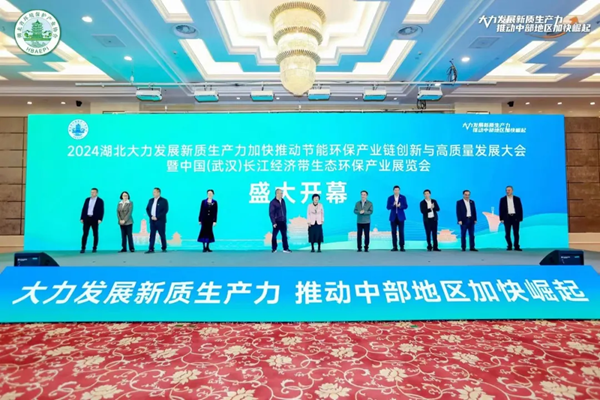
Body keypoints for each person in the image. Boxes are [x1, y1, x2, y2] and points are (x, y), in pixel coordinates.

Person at [80, 188, 104, 254]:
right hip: (87, 218)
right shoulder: (87, 199)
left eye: (93, 192)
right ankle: (83, 248)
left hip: (95, 219)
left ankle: (94, 248)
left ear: (97, 193)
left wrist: (100, 219)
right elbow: (84, 209)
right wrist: (82, 218)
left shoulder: (100, 201)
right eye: (91, 192)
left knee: (95, 234)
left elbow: (101, 210)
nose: (92, 193)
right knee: (85, 233)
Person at [499, 186, 523, 251]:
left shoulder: (517, 199)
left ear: (512, 191)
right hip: (507, 218)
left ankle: (516, 246)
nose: (507, 191)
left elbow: (520, 209)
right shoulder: (502, 199)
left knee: (516, 233)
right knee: (507, 233)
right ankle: (509, 245)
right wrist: (501, 218)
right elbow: (501, 209)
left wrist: (520, 218)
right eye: (506, 190)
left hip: (515, 217)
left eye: (509, 190)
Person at [145, 187, 169, 253]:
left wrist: (157, 217)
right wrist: (151, 216)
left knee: (162, 234)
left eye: (155, 192)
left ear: (159, 193)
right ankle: (151, 248)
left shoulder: (164, 200)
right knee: (152, 234)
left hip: (160, 221)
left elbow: (165, 210)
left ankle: (164, 247)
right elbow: (147, 209)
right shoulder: (150, 200)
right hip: (152, 220)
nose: (153, 193)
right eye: (153, 192)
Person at [269, 189, 291, 253]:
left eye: (282, 193)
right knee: (274, 236)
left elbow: (284, 210)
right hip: (276, 222)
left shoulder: (283, 201)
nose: (282, 194)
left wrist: (285, 219)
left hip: (283, 221)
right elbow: (271, 213)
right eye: (280, 193)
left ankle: (285, 248)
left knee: (284, 236)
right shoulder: (273, 202)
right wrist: (273, 222)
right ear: (276, 194)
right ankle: (274, 248)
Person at [386, 185, 408, 251]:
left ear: (399, 191)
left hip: (401, 217)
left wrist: (400, 206)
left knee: (401, 232)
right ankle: (394, 246)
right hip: (393, 217)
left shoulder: (403, 197)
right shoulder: (390, 198)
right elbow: (388, 207)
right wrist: (393, 205)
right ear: (393, 191)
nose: (396, 191)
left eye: (398, 190)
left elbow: (406, 206)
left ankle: (402, 246)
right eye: (395, 190)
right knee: (393, 232)